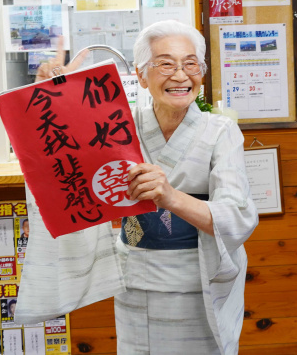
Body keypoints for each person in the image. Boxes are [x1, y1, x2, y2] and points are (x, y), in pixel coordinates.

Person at [36, 21, 258, 354]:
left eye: (190, 64)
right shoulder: (119, 125)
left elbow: (238, 216)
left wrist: (170, 197)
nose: (181, 75)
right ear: (141, 75)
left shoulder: (220, 131)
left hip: (197, 278)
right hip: (136, 277)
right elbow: (62, 170)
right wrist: (49, 96)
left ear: (202, 72)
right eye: (166, 64)